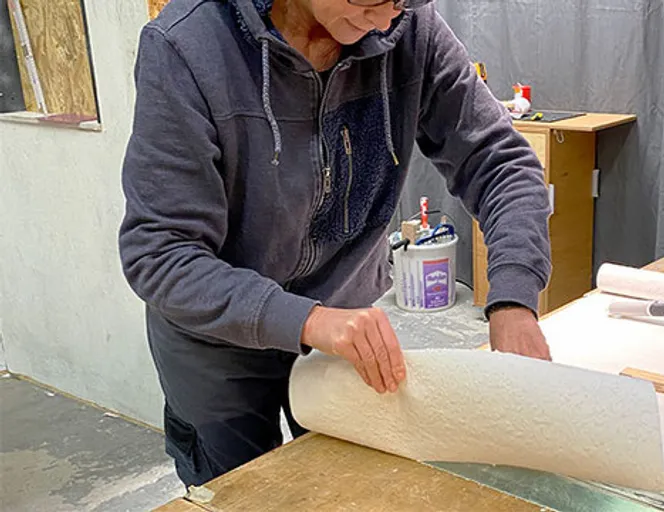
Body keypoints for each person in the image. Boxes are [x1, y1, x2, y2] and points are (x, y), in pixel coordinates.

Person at [118, 0, 552, 486]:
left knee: (351, 486)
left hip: (343, 322)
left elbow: (501, 164)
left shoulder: (411, 27)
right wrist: (306, 319)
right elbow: (161, 253)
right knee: (237, 492)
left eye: (404, 2)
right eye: (372, 1)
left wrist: (513, 298)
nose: (388, 21)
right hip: (218, 338)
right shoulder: (186, 46)